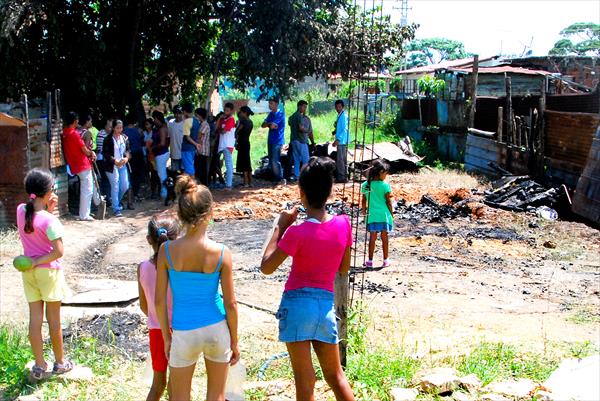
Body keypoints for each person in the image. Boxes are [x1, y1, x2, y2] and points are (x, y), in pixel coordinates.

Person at [261, 157, 355, 401]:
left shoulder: (296, 232)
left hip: (296, 307)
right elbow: (343, 268)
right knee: (336, 377)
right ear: (330, 192)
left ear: (301, 193)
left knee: (305, 381)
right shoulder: (344, 224)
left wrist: (280, 227)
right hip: (324, 305)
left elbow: (266, 266)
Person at [155, 176, 240, 401]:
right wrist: (234, 340)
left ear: (180, 213)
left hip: (183, 331)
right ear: (210, 212)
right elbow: (231, 303)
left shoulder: (166, 251)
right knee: (217, 396)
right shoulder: (222, 252)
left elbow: (159, 302)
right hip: (216, 328)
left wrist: (166, 337)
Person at [17, 168, 73, 381]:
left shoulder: (21, 210)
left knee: (35, 319)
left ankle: (39, 365)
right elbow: (58, 252)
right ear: (49, 192)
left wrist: (31, 262)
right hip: (49, 273)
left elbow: (34, 214)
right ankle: (60, 363)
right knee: (54, 321)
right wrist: (51, 211)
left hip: (28, 273)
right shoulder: (50, 221)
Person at [138, 213, 180, 401]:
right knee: (176, 384)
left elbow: (144, 306)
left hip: (156, 331)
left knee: (158, 384)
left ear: (149, 239)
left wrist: (156, 317)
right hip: (180, 330)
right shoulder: (179, 267)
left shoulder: (142, 267)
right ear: (176, 239)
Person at [62, 111, 96, 221]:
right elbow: (85, 150)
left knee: (86, 188)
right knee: (87, 189)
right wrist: (92, 153)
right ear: (76, 121)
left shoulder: (65, 133)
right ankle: (84, 214)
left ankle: (86, 212)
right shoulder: (74, 134)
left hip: (73, 165)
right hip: (82, 164)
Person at [361, 159, 393, 268]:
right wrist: (391, 214)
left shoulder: (365, 185)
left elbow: (364, 201)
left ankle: (370, 261)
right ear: (381, 172)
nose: (386, 175)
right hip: (384, 215)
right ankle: (385, 260)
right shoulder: (385, 186)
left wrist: (364, 212)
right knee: (385, 238)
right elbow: (388, 202)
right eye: (386, 173)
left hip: (372, 216)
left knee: (372, 239)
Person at [102, 119, 131, 218]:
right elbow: (105, 154)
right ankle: (116, 208)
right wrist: (115, 161)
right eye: (117, 128)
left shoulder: (124, 138)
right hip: (112, 166)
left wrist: (126, 158)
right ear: (113, 128)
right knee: (115, 185)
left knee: (125, 186)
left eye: (121, 128)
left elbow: (127, 151)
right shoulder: (108, 139)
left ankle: (116, 202)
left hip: (122, 164)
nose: (119, 130)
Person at [288, 100, 315, 181]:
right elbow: (301, 128)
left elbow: (290, 124)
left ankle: (297, 176)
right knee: (306, 160)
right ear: (299, 106)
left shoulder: (292, 117)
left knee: (296, 160)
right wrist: (307, 131)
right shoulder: (300, 116)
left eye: (305, 107)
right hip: (301, 141)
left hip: (293, 140)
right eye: (304, 106)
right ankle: (306, 177)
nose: (305, 109)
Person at [262, 98, 286, 185]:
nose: (269, 105)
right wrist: (269, 124)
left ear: (276, 104)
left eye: (271, 103)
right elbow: (263, 125)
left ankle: (280, 178)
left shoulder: (280, 114)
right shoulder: (270, 114)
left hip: (278, 140)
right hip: (270, 140)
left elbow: (272, 126)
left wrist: (269, 124)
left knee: (275, 161)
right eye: (269, 103)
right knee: (271, 160)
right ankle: (276, 179)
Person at [124, 114, 145, 202]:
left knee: (130, 174)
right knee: (137, 174)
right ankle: (136, 193)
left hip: (129, 154)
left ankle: (129, 193)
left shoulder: (124, 131)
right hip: (138, 153)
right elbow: (142, 140)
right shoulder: (139, 131)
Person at [151, 111, 170, 200]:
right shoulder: (165, 127)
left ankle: (165, 193)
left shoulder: (162, 129)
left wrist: (153, 148)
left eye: (154, 119)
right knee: (162, 174)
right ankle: (164, 193)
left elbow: (162, 143)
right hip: (163, 153)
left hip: (161, 153)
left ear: (157, 119)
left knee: (162, 175)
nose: (154, 121)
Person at [218, 102, 236, 190]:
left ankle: (229, 185)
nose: (225, 112)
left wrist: (221, 129)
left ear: (232, 111)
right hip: (222, 144)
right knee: (226, 163)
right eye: (225, 110)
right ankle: (227, 183)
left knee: (228, 164)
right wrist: (219, 119)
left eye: (227, 111)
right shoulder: (223, 119)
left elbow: (223, 131)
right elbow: (218, 129)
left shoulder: (231, 119)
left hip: (227, 144)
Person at [181, 103, 202, 176]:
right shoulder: (196, 120)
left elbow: (187, 137)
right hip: (192, 148)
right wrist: (197, 144)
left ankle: (192, 185)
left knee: (189, 170)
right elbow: (198, 134)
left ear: (184, 111)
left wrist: (196, 144)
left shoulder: (187, 122)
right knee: (189, 167)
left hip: (186, 148)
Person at [235, 105, 254, 187]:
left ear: (244, 113)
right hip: (247, 142)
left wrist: (236, 129)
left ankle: (246, 182)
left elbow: (237, 131)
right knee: (247, 162)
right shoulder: (250, 122)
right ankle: (250, 182)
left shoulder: (243, 122)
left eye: (241, 112)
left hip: (242, 143)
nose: (240, 114)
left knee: (244, 163)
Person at [96, 118, 113, 203]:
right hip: (102, 160)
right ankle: (107, 198)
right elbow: (102, 150)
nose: (111, 128)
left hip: (108, 159)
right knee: (105, 179)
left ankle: (109, 197)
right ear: (105, 126)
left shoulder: (111, 135)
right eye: (110, 127)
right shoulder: (101, 135)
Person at [332, 100, 349, 183]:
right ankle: (344, 176)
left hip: (342, 141)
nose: (337, 108)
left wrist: (338, 139)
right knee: (342, 159)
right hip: (341, 140)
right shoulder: (339, 115)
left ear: (342, 107)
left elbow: (344, 129)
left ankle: (342, 177)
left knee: (341, 160)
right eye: (336, 107)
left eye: (339, 107)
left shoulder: (343, 116)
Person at [143, 118, 160, 199]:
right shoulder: (144, 133)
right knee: (151, 173)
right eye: (145, 124)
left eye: (148, 124)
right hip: (147, 154)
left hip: (154, 154)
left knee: (155, 173)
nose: (146, 126)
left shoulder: (155, 132)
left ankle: (157, 191)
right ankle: (153, 191)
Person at [194, 108, 211, 187]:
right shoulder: (201, 124)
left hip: (202, 151)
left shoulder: (204, 125)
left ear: (200, 116)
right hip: (200, 151)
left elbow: (199, 137)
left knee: (202, 172)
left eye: (196, 115)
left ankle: (204, 189)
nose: (195, 117)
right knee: (199, 171)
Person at [209, 112, 225, 187]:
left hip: (216, 146)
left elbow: (215, 135)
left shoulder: (217, 124)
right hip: (215, 146)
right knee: (215, 163)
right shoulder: (215, 124)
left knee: (214, 163)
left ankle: (219, 178)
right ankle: (217, 179)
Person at [168, 105, 184, 171]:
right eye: (175, 113)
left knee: (184, 174)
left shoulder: (185, 123)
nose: (177, 115)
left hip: (183, 153)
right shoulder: (170, 123)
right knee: (174, 173)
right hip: (174, 153)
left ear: (182, 113)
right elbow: (168, 137)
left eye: (179, 113)